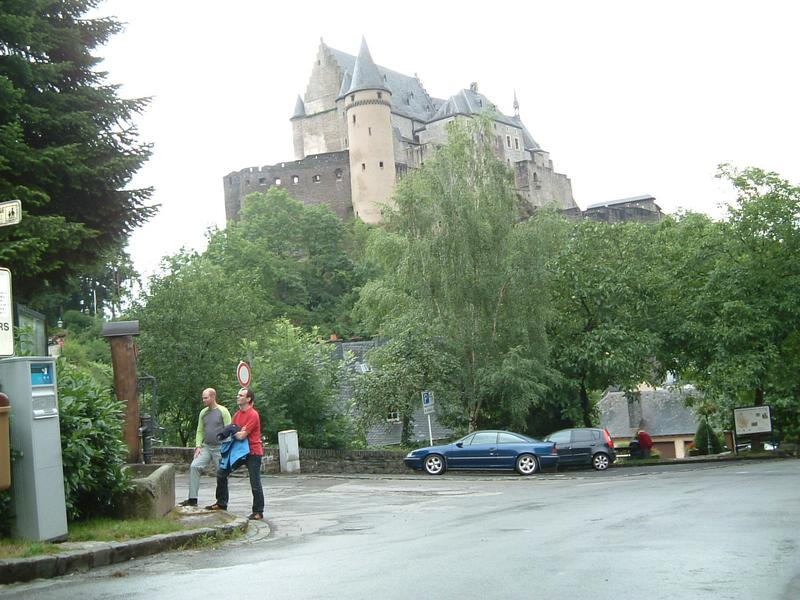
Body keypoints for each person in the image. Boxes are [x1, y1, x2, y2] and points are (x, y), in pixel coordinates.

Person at [206, 388, 265, 520]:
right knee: (221, 473)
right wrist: (235, 430)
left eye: (241, 395)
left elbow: (241, 436)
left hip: (253, 452)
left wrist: (236, 430)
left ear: (248, 399)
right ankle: (221, 503)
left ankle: (258, 512)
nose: (237, 397)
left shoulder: (253, 414)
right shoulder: (237, 415)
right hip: (238, 451)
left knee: (255, 482)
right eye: (238, 394)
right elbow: (234, 432)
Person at [179, 388, 231, 507]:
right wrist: (198, 446)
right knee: (194, 466)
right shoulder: (203, 413)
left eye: (205, 398)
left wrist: (226, 449)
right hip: (206, 447)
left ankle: (222, 502)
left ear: (213, 397)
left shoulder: (223, 411)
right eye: (203, 397)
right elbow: (200, 430)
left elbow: (229, 430)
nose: (203, 400)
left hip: (220, 447)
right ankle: (192, 499)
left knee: (221, 474)